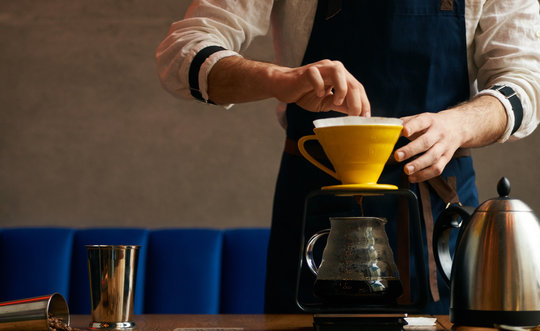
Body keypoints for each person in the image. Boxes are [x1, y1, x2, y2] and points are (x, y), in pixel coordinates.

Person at [156, 0, 540, 314]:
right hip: (317, 204)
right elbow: (183, 49)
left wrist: (459, 125)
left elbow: (527, 80)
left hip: (435, 212)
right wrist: (281, 80)